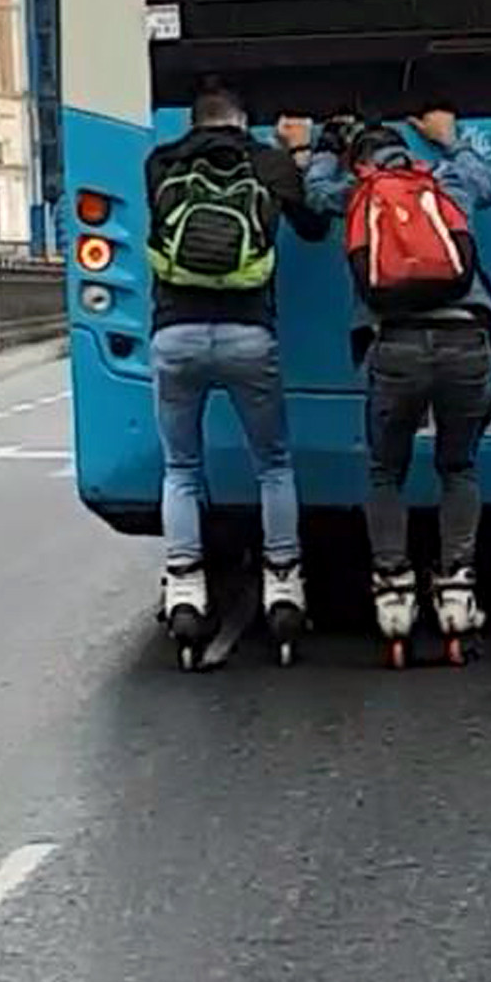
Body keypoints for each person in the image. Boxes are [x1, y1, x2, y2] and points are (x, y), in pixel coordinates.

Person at [287, 110, 491, 662]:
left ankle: (393, 592)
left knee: (386, 470)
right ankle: (457, 589)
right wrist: (449, 139)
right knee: (459, 466)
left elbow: (313, 194)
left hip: (396, 345)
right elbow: (485, 180)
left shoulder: (355, 191)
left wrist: (325, 149)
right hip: (465, 342)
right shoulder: (445, 182)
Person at [144, 77, 331, 662]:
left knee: (180, 467)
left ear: (195, 121)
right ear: (241, 120)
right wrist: (296, 156)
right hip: (250, 332)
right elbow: (314, 225)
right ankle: (283, 583)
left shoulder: (161, 162)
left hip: (174, 332)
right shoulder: (266, 161)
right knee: (273, 463)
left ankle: (186, 588)